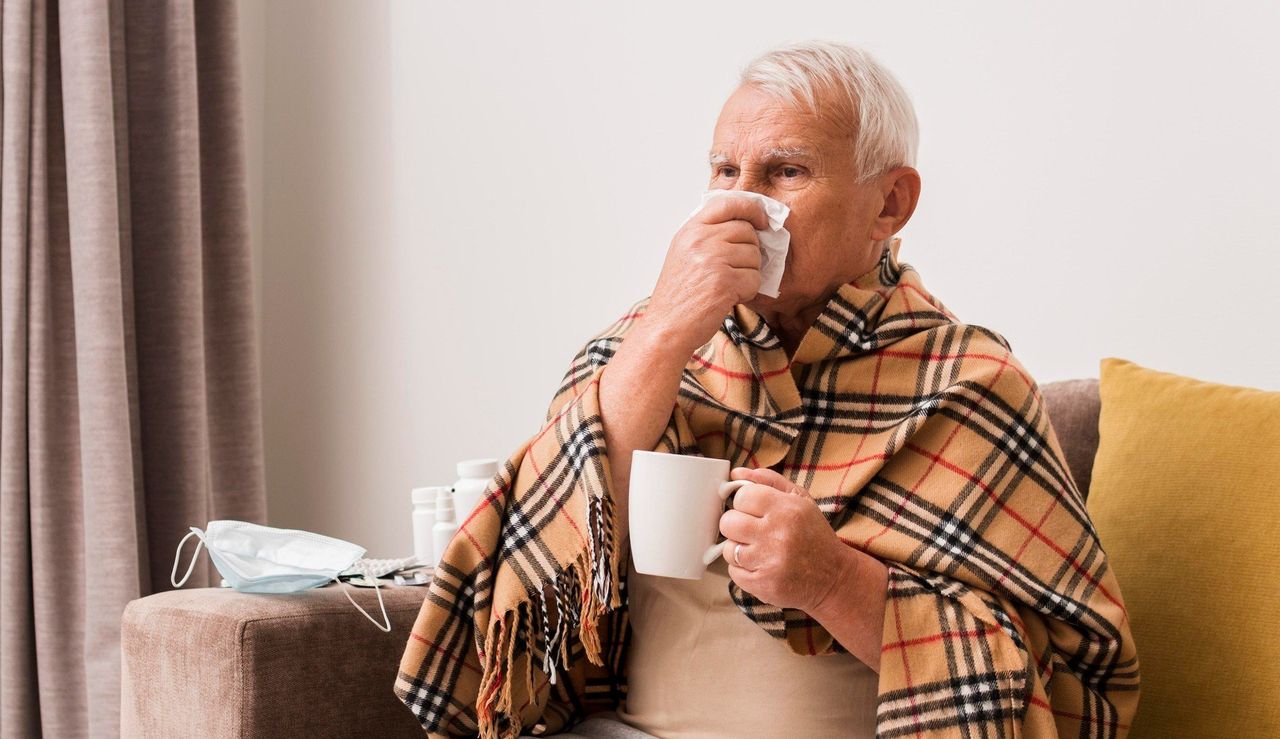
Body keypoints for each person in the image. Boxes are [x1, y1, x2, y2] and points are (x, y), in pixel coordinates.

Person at [395, 40, 1140, 739]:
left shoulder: (972, 385)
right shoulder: (640, 348)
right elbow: (523, 581)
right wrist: (662, 333)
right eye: (724, 172)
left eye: (785, 172)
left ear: (889, 205)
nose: (741, 205)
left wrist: (836, 581)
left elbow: (1073, 688)